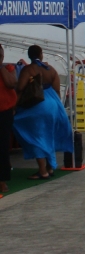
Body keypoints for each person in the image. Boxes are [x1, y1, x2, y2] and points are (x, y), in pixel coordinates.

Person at [14, 45, 73, 179]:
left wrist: (13, 107)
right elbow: (57, 90)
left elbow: (20, 88)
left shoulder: (28, 69)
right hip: (52, 104)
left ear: (29, 55)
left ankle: (42, 171)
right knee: (48, 135)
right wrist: (58, 107)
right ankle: (50, 168)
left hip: (37, 105)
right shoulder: (50, 69)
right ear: (41, 55)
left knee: (36, 137)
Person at [0, 43, 17, 194]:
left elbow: (11, 83)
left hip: (4, 113)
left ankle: (2, 181)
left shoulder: (8, 69)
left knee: (3, 146)